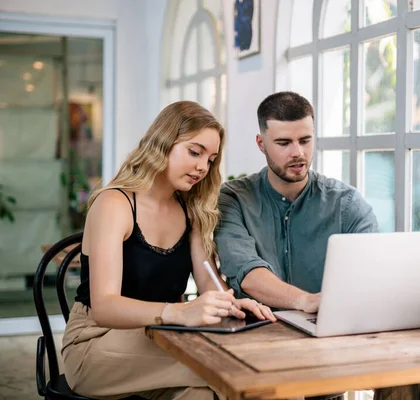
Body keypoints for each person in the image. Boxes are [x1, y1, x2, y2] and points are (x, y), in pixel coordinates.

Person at [61, 101, 276, 400]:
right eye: (194, 151)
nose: (203, 167)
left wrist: (234, 304)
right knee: (224, 369)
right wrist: (180, 312)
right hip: (96, 342)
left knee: (197, 392)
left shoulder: (191, 210)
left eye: (211, 159)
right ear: (162, 143)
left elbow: (209, 284)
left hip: (162, 337)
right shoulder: (114, 204)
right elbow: (105, 306)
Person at [214, 91, 378, 313]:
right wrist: (304, 301)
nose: (298, 152)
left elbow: (370, 274)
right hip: (257, 332)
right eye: (284, 143)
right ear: (261, 144)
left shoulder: (347, 205)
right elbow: (247, 273)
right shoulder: (234, 199)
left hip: (329, 329)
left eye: (305, 140)